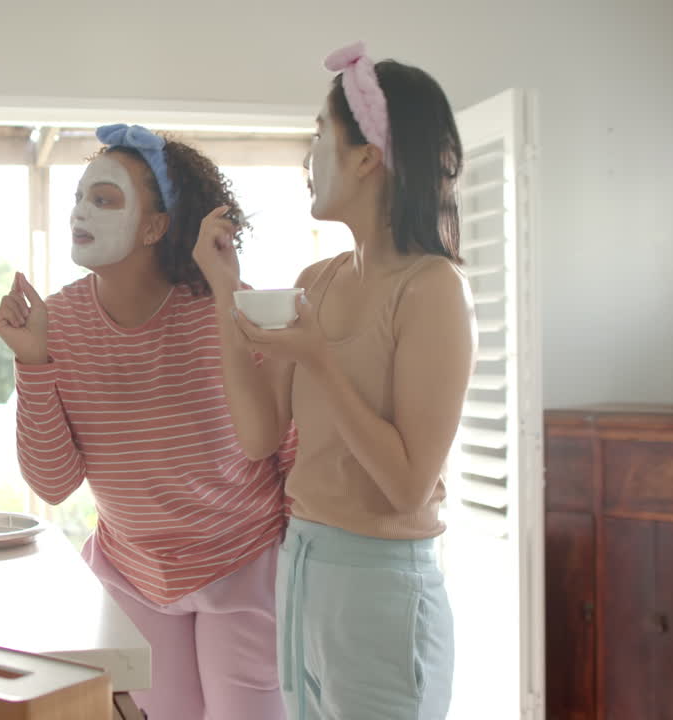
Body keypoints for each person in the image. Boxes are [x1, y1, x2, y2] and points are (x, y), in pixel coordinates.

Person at [193, 42, 474, 720]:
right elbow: (261, 435)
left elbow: (407, 486)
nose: (307, 157)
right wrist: (224, 289)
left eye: (320, 136)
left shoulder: (431, 288)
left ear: (367, 157)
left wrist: (320, 360)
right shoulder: (316, 282)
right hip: (304, 565)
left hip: (383, 585)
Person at [0, 123, 292, 719]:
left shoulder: (229, 309)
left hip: (245, 563)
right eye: (79, 196)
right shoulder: (60, 322)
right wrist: (32, 361)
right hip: (134, 572)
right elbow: (54, 484)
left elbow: (287, 446)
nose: (80, 211)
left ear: (156, 227)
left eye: (103, 198)